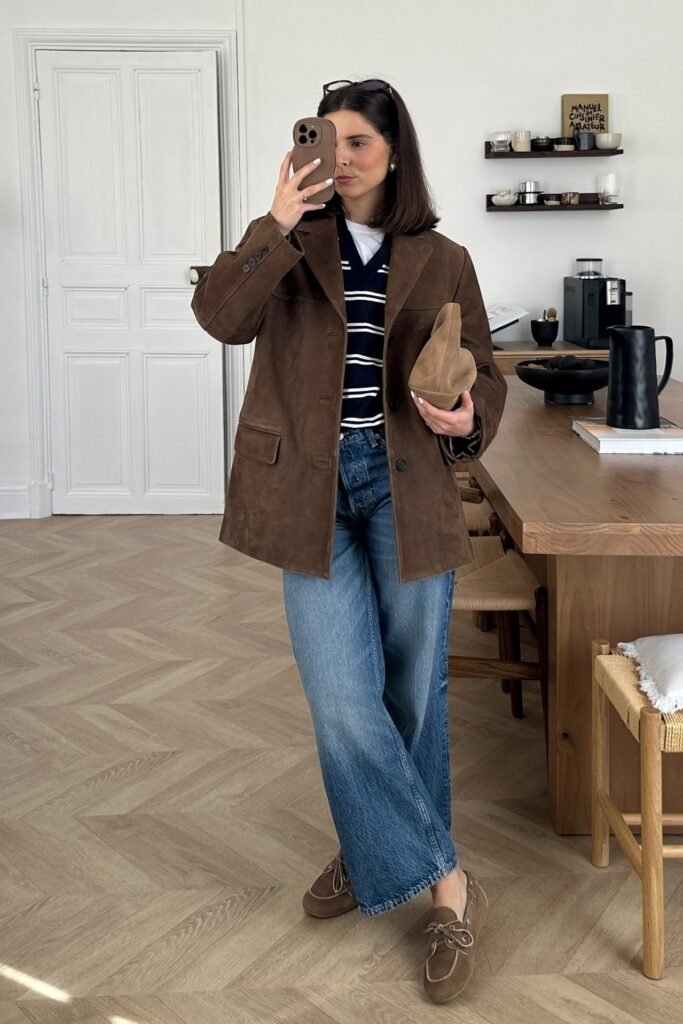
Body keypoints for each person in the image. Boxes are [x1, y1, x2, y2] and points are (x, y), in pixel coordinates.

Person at [191, 78, 507, 1003]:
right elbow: (220, 318)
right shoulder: (289, 241)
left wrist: (463, 416)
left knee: (411, 692)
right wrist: (274, 223)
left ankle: (370, 851)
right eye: (324, 138)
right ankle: (449, 885)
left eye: (358, 141)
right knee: (341, 697)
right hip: (308, 488)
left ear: (394, 155)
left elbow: (485, 373)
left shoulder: (441, 256)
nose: (340, 155)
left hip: (407, 484)